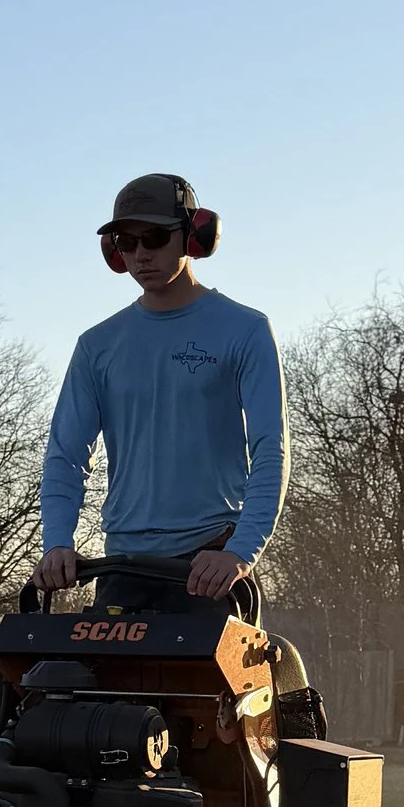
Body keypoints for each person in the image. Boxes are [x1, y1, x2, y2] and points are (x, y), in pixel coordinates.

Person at [34, 172, 283, 604]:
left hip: (211, 567)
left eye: (153, 237)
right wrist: (57, 542)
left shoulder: (245, 330)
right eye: (126, 243)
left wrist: (241, 552)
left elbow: (271, 450)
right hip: (122, 568)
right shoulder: (97, 346)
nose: (140, 254)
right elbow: (66, 456)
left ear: (194, 235)